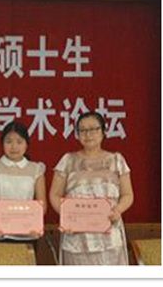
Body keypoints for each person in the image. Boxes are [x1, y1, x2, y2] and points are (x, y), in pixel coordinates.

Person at [49, 111, 134, 265]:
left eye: (93, 129)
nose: (88, 135)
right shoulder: (68, 160)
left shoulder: (116, 160)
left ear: (103, 131)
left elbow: (128, 194)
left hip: (109, 235)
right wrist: (67, 215)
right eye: (82, 130)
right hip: (77, 237)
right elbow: (54, 194)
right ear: (77, 134)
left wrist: (118, 210)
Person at [0, 121, 46, 242]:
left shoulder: (36, 169)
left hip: (27, 232)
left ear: (26, 144)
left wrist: (33, 223)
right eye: (9, 142)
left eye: (19, 142)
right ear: (2, 143)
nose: (14, 147)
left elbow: (41, 204)